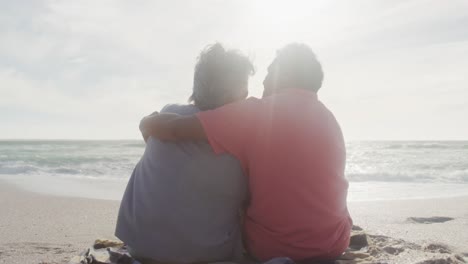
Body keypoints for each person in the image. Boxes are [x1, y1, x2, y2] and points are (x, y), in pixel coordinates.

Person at [140, 43, 352, 262]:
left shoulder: (258, 112)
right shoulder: (329, 119)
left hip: (274, 249)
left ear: (285, 75)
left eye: (270, 72)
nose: (262, 81)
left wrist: (147, 122)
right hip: (334, 243)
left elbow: (175, 130)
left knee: (238, 186)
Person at [115, 43, 254, 263]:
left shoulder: (169, 113)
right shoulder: (241, 137)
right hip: (208, 255)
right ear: (239, 95)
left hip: (139, 246)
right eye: (245, 90)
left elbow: (153, 136)